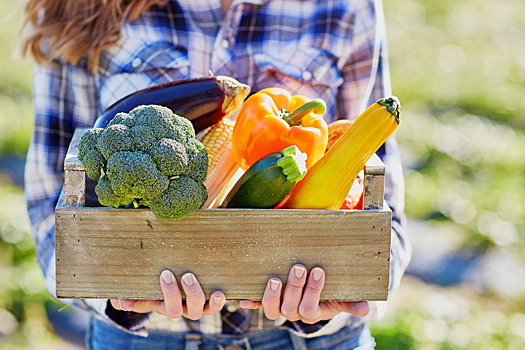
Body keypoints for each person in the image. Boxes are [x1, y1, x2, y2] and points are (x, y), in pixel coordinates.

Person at [22, 0, 411, 349]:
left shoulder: (347, 6)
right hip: (143, 341)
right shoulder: (77, 5)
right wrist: (117, 294)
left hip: (306, 342)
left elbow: (379, 197)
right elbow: (51, 196)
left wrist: (336, 298)